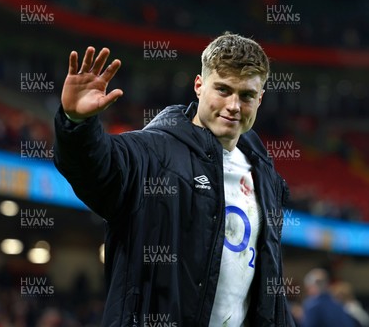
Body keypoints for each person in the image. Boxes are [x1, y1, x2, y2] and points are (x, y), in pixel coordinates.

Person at [53, 33, 296, 326]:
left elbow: (269, 287)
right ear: (199, 86)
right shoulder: (153, 152)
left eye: (245, 95)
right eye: (222, 89)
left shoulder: (265, 175)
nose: (233, 105)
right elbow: (96, 170)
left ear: (260, 99)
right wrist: (76, 123)